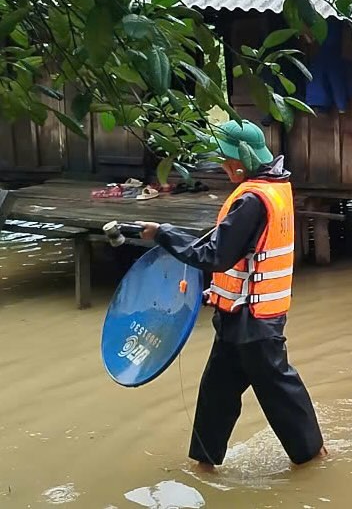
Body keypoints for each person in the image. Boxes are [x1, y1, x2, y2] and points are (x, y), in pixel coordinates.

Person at [137, 119, 327, 471]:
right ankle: (204, 464)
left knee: (278, 391)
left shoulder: (254, 199)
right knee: (217, 393)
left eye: (226, 161)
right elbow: (236, 253)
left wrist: (163, 233)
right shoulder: (273, 187)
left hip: (254, 321)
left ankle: (313, 459)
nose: (224, 168)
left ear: (242, 160)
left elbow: (215, 254)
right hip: (238, 315)